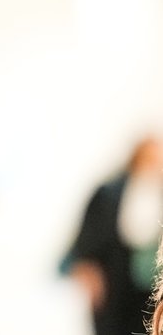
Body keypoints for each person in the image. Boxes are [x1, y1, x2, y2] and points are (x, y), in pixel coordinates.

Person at [62, 136, 163, 334]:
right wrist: (87, 271)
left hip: (151, 290)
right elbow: (84, 244)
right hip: (115, 290)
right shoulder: (107, 196)